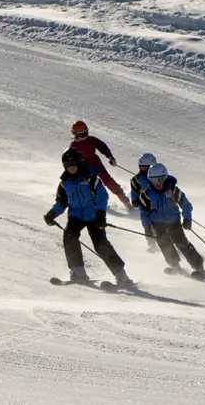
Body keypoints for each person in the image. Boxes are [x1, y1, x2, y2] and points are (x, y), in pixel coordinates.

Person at [43, 148, 133, 286]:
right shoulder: (64, 183)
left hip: (94, 215)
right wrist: (52, 214)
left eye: (73, 164)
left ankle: (122, 276)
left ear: (80, 163)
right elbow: (61, 202)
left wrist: (101, 214)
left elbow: (102, 196)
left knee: (100, 245)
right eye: (67, 165)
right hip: (76, 216)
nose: (71, 168)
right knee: (69, 237)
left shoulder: (91, 178)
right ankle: (78, 271)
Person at [133, 163, 205, 277]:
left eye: (161, 179)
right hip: (157, 223)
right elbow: (144, 213)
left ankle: (199, 267)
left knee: (181, 243)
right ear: (150, 180)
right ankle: (175, 266)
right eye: (154, 180)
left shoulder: (173, 190)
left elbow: (186, 205)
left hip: (173, 222)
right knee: (164, 244)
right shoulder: (146, 195)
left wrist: (187, 218)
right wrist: (147, 227)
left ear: (165, 177)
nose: (158, 184)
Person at [68, 120, 133, 209]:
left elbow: (102, 147)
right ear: (75, 134)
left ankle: (126, 202)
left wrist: (110, 157)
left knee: (108, 180)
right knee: (88, 185)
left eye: (86, 133)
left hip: (95, 163)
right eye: (81, 135)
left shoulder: (91, 140)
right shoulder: (74, 146)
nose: (84, 136)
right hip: (84, 167)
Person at [129, 153, 160, 252]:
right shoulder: (136, 180)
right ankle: (151, 244)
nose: (143, 170)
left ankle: (167, 243)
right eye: (141, 167)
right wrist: (134, 200)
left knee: (160, 225)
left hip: (158, 206)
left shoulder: (158, 177)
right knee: (147, 225)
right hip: (144, 208)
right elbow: (134, 191)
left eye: (146, 168)